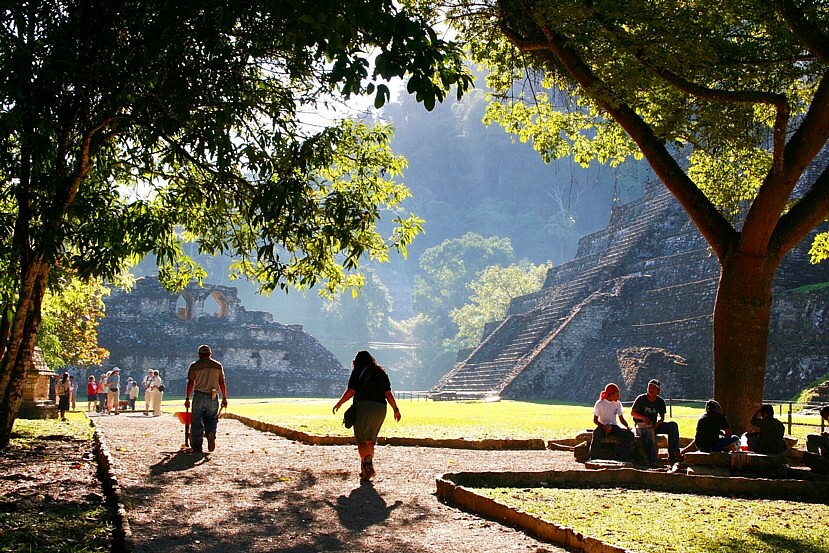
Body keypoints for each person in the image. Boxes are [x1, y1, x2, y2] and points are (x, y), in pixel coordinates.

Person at [332, 350, 402, 482]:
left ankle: (368, 465)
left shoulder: (358, 370)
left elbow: (351, 390)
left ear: (356, 361)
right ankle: (366, 466)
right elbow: (388, 393)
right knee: (370, 439)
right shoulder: (381, 372)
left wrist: (340, 403)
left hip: (364, 407)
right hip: (381, 409)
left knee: (362, 440)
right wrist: (395, 409)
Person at [184, 345, 228, 453]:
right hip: (212, 395)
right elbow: (221, 382)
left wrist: (187, 398)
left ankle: (197, 445)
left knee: (196, 420)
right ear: (210, 354)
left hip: (199, 395)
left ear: (199, 355)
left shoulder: (194, 366)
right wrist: (224, 398)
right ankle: (210, 433)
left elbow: (191, 383)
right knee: (212, 418)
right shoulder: (217, 365)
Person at [630, 378, 681, 465]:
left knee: (673, 425)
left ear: (658, 390)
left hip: (653, 425)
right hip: (641, 426)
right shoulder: (641, 399)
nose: (651, 390)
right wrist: (643, 418)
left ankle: (673, 452)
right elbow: (633, 413)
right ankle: (653, 459)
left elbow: (662, 418)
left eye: (653, 388)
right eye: (649, 387)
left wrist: (657, 424)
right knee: (648, 432)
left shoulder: (660, 402)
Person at [588, 383, 634, 460]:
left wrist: (627, 426)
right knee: (596, 433)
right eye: (617, 393)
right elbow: (595, 420)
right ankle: (593, 457)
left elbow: (621, 418)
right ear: (611, 394)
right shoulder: (600, 404)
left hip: (613, 426)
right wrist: (603, 427)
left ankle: (621, 456)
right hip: (602, 426)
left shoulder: (618, 404)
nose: (619, 395)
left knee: (629, 435)